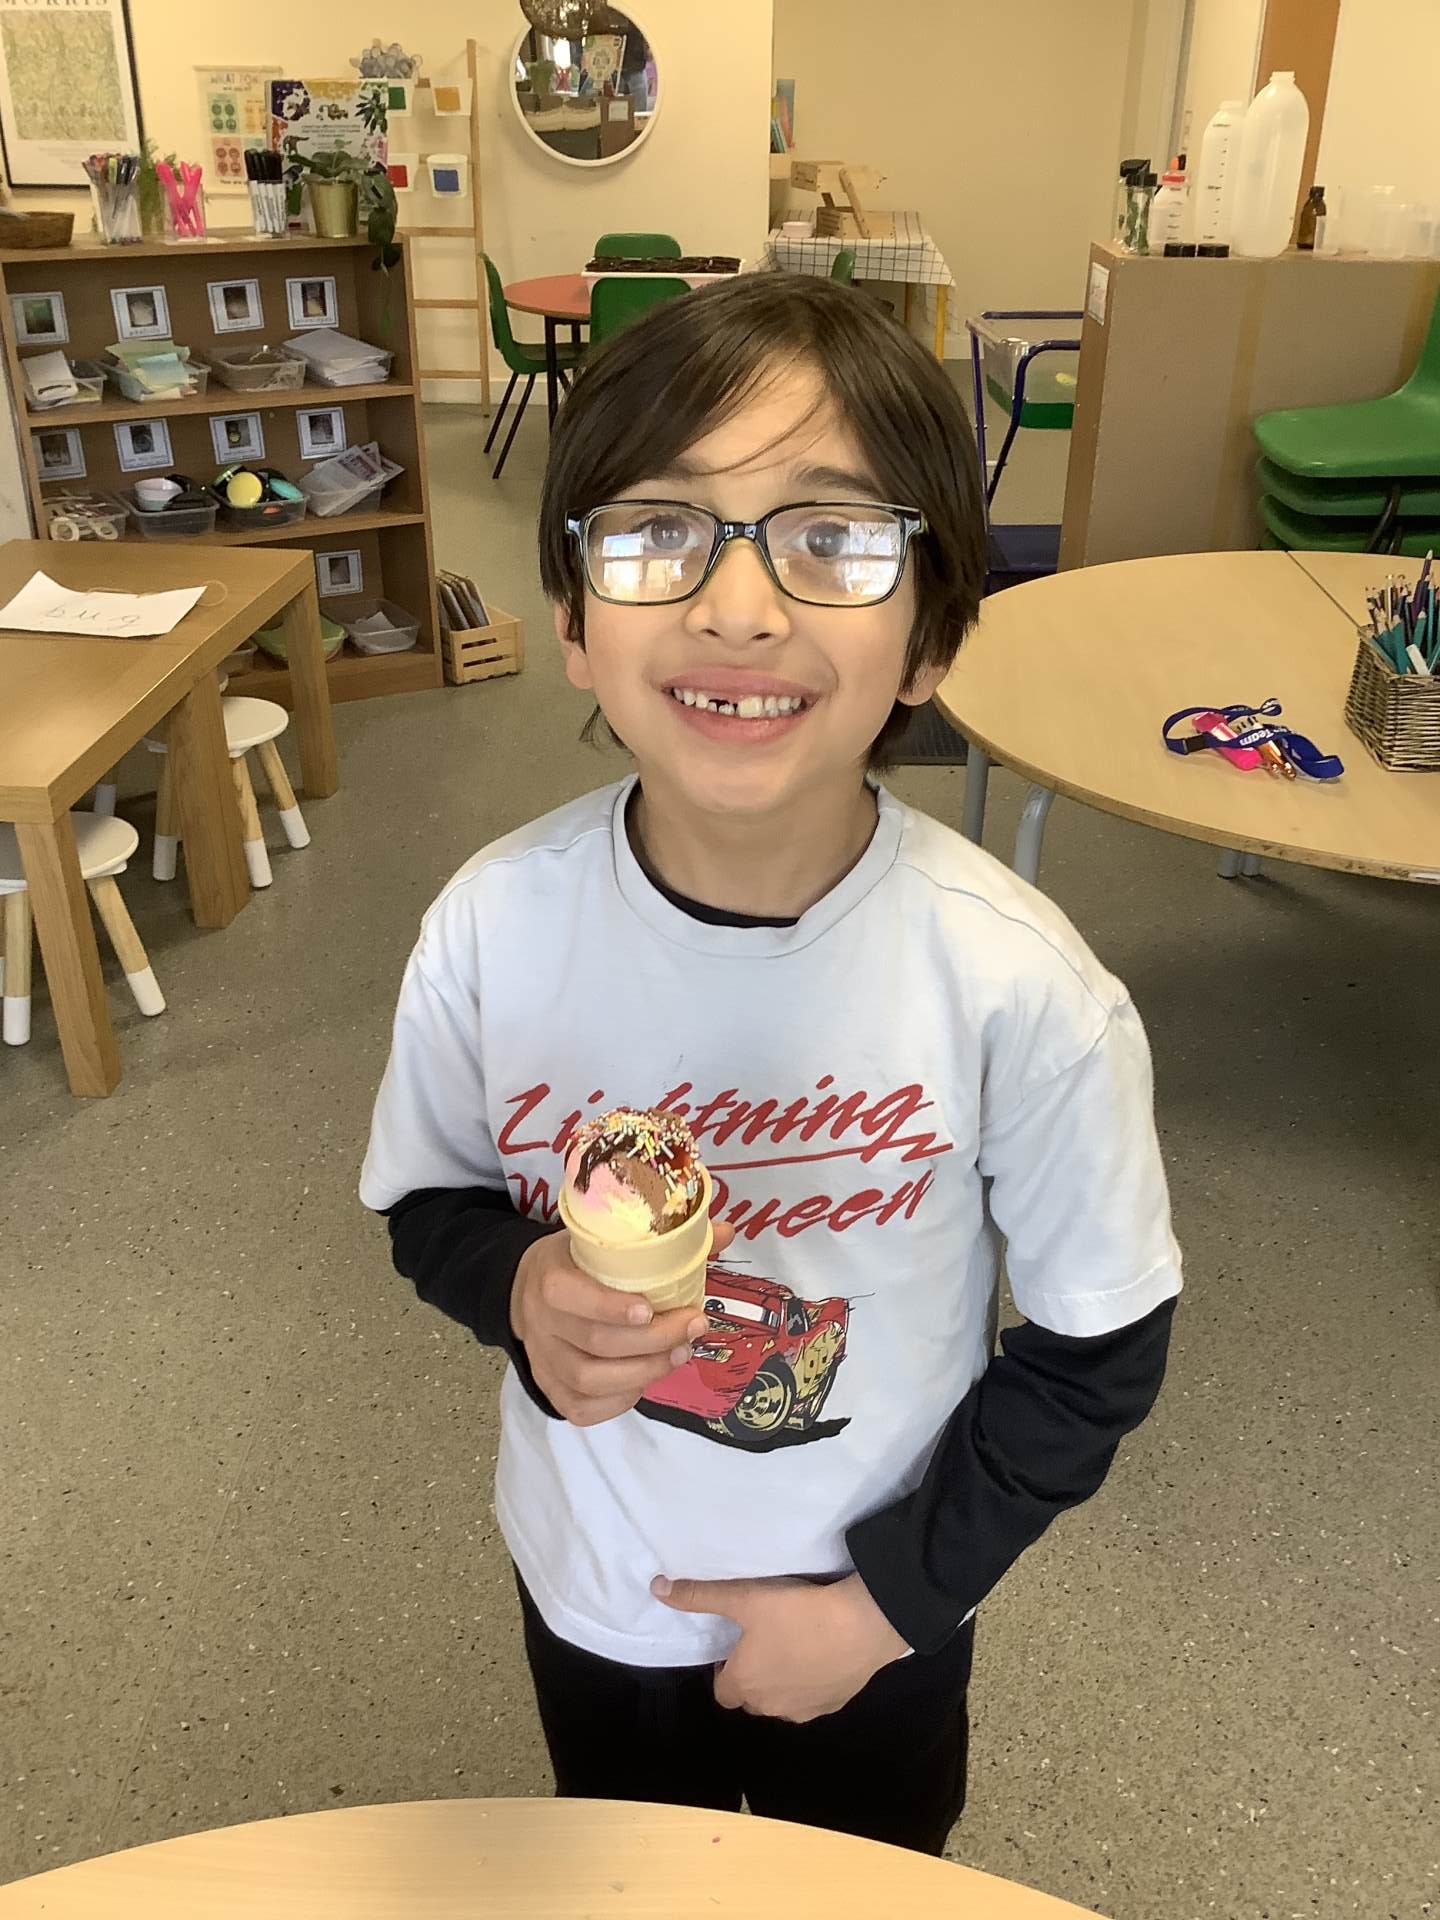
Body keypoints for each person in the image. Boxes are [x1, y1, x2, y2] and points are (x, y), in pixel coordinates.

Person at [361, 275, 1182, 1857]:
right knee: (627, 1870)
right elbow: (430, 1205)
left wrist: (884, 1609)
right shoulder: (491, 928)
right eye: (657, 532)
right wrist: (518, 1289)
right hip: (596, 1587)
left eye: (833, 536)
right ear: (574, 625)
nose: (738, 607)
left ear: (932, 636)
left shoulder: (1018, 985)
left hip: (872, 1616)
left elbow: (1100, 1349)